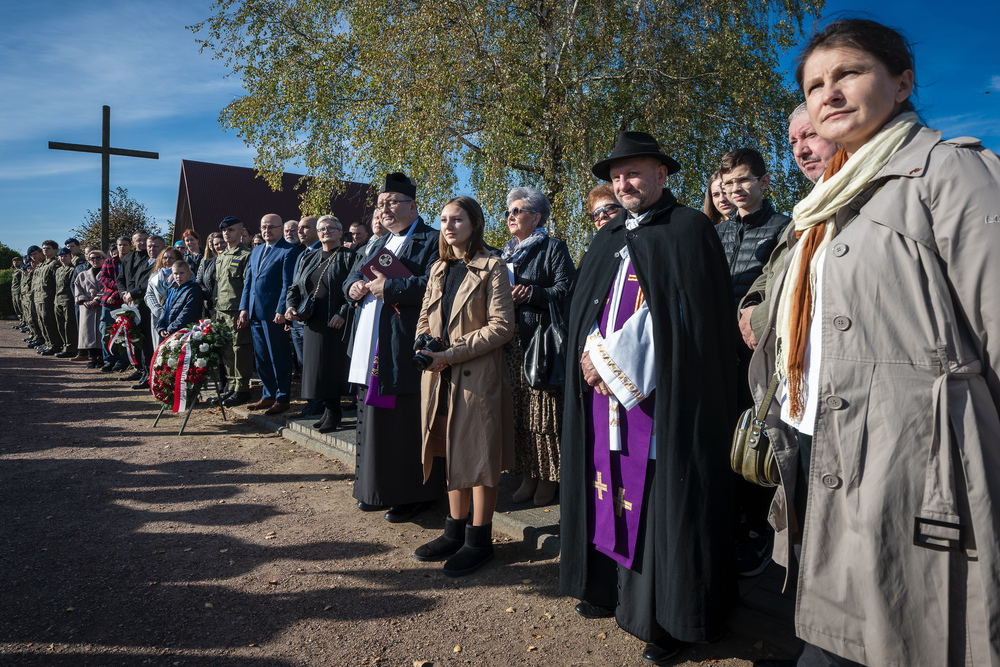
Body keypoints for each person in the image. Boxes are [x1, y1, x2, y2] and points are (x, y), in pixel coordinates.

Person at [747, 18, 1000, 667]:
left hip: (915, 468)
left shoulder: (949, 171)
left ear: (902, 82)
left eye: (848, 73)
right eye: (813, 84)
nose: (827, 93)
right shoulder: (821, 211)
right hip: (820, 453)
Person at [560, 131, 737, 664]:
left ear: (663, 174)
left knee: (662, 501)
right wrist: (589, 354)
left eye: (634, 172)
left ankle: (666, 619)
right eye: (616, 176)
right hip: (601, 398)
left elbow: (689, 322)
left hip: (661, 404)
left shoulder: (689, 230)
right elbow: (586, 308)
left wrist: (610, 361)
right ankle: (607, 588)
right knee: (603, 483)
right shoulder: (608, 233)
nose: (623, 183)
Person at [413, 196, 515, 575]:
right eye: (443, 220)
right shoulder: (439, 267)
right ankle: (454, 532)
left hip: (474, 377)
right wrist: (423, 343)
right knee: (447, 450)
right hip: (439, 375)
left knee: (480, 459)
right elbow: (425, 316)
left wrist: (450, 353)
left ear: (475, 223)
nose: (449, 226)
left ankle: (479, 539)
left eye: (457, 219)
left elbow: (502, 326)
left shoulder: (493, 266)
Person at [344, 172, 445, 523]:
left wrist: (393, 287)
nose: (384, 209)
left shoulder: (431, 239)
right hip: (371, 340)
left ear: (413, 206)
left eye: (391, 203)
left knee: (403, 422)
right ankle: (376, 487)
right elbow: (353, 276)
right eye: (380, 204)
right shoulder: (379, 242)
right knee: (373, 419)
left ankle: (413, 494)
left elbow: (436, 283)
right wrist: (354, 287)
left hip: (402, 341)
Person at [738, 107, 840, 351]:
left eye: (811, 135)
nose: (799, 151)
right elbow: (772, 270)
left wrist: (760, 319)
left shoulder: (857, 201)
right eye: (793, 142)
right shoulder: (804, 212)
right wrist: (750, 305)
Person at [501, 187, 577, 506]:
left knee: (544, 415)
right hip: (511, 343)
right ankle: (528, 474)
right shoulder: (503, 255)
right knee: (519, 413)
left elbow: (567, 289)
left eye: (518, 211)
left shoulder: (553, 248)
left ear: (537, 217)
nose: (511, 217)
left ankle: (549, 478)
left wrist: (531, 294)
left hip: (540, 343)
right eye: (508, 212)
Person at [285, 215, 354, 432]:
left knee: (332, 369)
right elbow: (294, 287)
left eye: (331, 228)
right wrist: (290, 306)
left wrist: (343, 313)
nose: (326, 232)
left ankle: (335, 413)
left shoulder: (350, 256)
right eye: (322, 229)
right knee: (316, 369)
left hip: (335, 322)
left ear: (340, 232)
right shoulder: (309, 257)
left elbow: (355, 289)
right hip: (312, 321)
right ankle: (327, 410)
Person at [239, 213, 303, 414]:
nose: (267, 231)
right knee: (261, 357)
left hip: (274, 314)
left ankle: (282, 397)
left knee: (278, 356)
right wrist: (244, 308)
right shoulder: (256, 251)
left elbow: (288, 284)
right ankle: (268, 395)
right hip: (256, 313)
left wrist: (281, 309)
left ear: (281, 228)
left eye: (272, 227)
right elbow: (248, 282)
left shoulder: (289, 251)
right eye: (264, 227)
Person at [215, 217, 254, 407]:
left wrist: (244, 310)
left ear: (241, 233)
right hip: (221, 310)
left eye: (230, 230)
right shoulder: (221, 256)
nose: (226, 233)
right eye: (224, 230)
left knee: (240, 349)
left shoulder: (247, 255)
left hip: (236, 310)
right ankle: (231, 386)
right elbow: (219, 285)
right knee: (227, 349)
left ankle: (242, 388)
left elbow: (248, 285)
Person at [145, 247, 184, 350]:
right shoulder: (154, 276)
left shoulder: (185, 274)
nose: (167, 261)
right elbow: (148, 295)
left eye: (171, 258)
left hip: (176, 318)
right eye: (165, 258)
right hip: (158, 318)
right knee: (160, 350)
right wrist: (159, 311)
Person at [73, 249, 106, 368]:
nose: (95, 260)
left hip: (101, 306)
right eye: (92, 258)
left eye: (98, 258)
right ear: (88, 260)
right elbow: (77, 288)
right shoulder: (82, 275)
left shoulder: (107, 273)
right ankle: (92, 358)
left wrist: (97, 299)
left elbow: (108, 287)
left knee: (100, 333)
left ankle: (101, 358)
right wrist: (84, 300)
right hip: (87, 308)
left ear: (103, 259)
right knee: (89, 334)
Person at [31, 240, 62, 355]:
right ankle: (48, 343)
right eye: (44, 248)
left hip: (48, 298)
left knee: (49, 322)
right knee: (42, 322)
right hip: (39, 298)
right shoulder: (43, 264)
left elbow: (56, 283)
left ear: (54, 250)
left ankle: (54, 345)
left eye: (48, 248)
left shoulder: (55, 264)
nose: (45, 250)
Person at [158, 261, 204, 337]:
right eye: (176, 273)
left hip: (185, 333)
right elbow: (164, 310)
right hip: (170, 333)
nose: (178, 276)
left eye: (182, 273)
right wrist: (161, 327)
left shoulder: (194, 290)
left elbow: (187, 314)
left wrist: (170, 329)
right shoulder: (172, 290)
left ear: (189, 274)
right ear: (172, 275)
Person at [53, 248, 79, 359]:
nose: (63, 258)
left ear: (70, 257)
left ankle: (71, 348)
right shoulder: (58, 270)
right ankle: (65, 346)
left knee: (69, 326)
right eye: (61, 256)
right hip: (58, 300)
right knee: (60, 325)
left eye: (65, 256)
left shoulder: (73, 269)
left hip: (68, 300)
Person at [196, 231, 226, 317]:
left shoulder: (233, 260)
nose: (220, 246)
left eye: (222, 242)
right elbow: (199, 282)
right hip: (209, 306)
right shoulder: (207, 263)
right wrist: (210, 295)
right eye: (216, 244)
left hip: (228, 305)